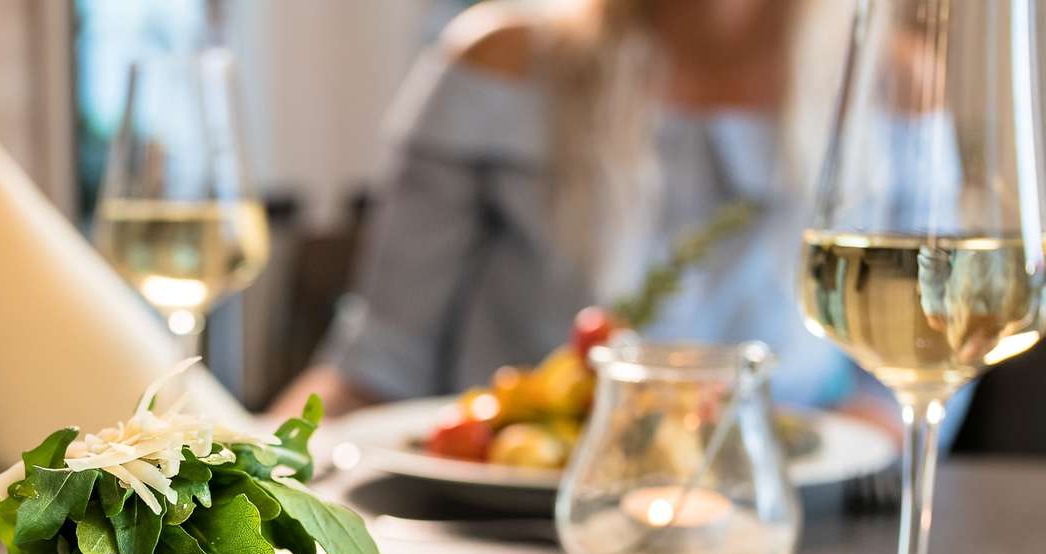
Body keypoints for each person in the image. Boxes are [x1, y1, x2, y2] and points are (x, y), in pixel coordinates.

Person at [273, 0, 906, 434]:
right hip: (509, 527)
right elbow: (380, 360)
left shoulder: (892, 84)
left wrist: (832, 457)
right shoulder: (498, 61)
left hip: (801, 528)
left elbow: (907, 379)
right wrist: (246, 460)